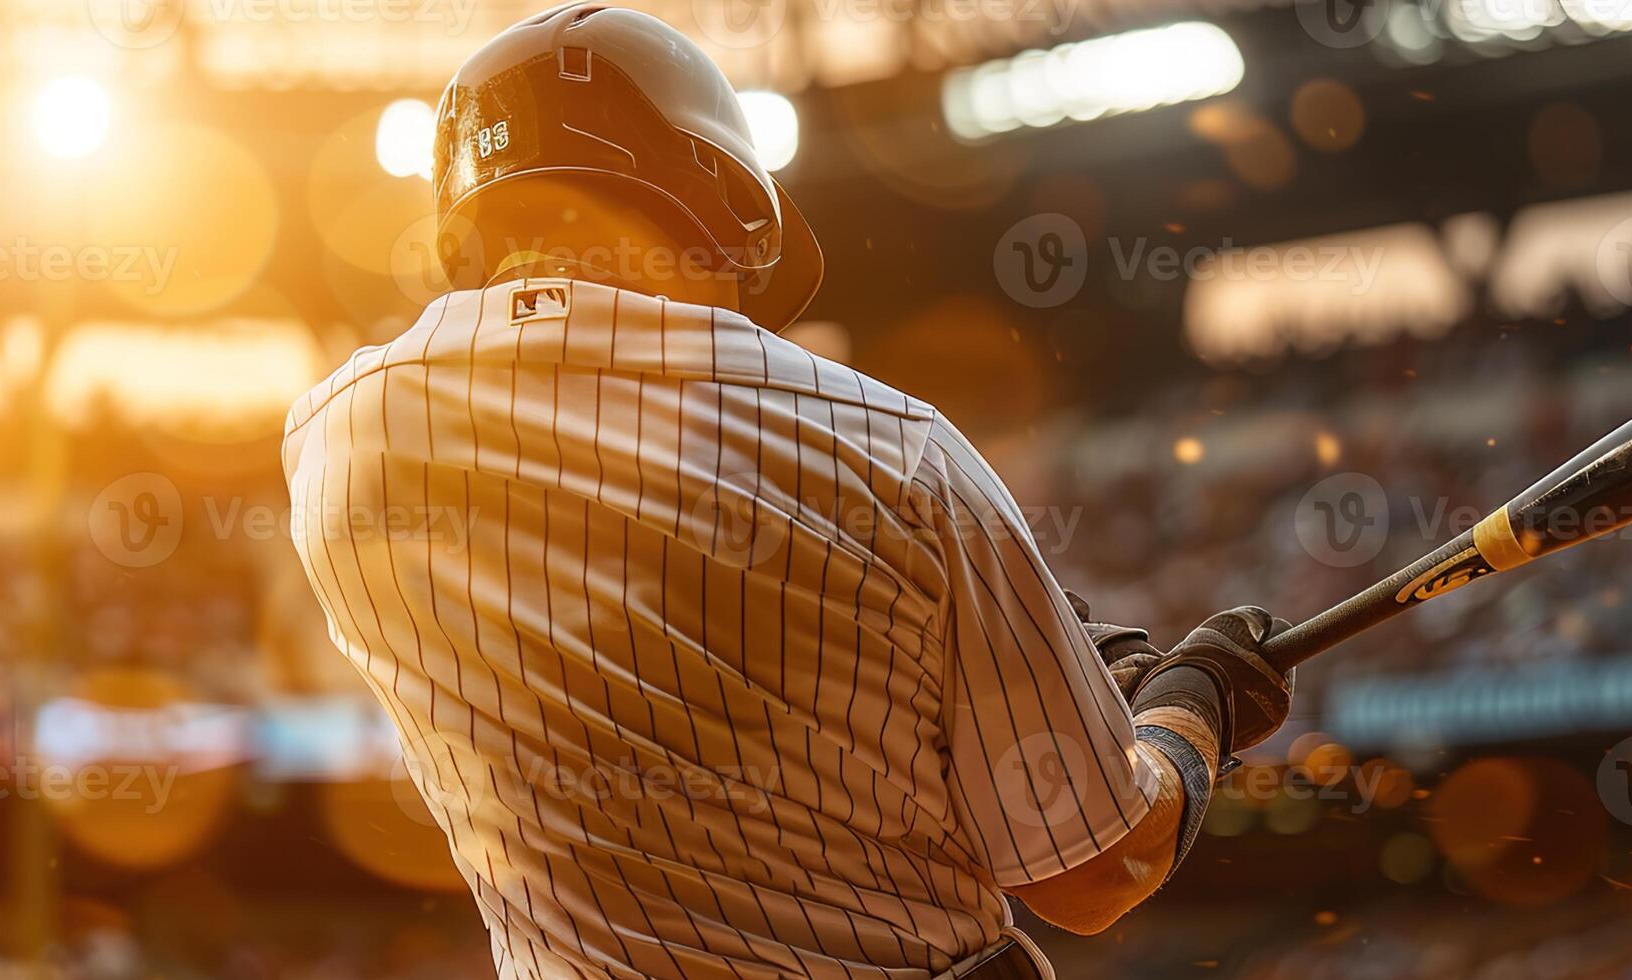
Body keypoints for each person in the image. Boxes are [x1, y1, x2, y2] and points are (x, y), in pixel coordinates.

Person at [279, 6, 1291, 977]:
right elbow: (1095, 869)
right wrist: (1190, 702)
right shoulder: (898, 452)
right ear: (719, 202)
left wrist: (1011, 650)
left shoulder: (335, 434)